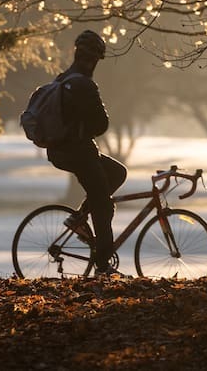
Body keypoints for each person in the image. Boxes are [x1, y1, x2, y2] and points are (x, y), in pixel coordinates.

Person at [47, 29, 128, 277]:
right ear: (93, 59)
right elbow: (101, 125)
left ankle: (79, 218)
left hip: (60, 151)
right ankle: (103, 267)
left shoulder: (62, 79)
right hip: (80, 152)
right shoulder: (85, 84)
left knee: (117, 172)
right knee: (103, 205)